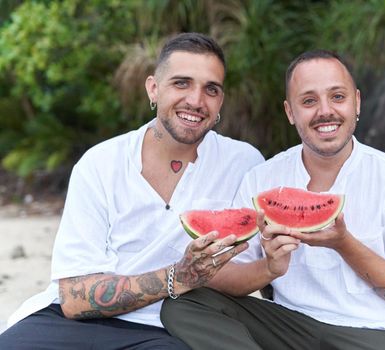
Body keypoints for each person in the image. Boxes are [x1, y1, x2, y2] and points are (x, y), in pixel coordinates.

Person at [161, 50, 385, 350]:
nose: (325, 111)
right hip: (293, 328)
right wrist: (270, 268)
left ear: (357, 103)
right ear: (290, 112)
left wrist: (344, 243)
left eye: (338, 97)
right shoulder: (263, 179)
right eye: (309, 101)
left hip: (379, 335)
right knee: (185, 305)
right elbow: (229, 275)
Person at [0, 32, 263, 349]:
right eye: (181, 83)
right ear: (153, 88)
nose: (196, 100)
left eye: (211, 89)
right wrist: (177, 277)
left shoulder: (245, 163)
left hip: (172, 327)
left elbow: (248, 268)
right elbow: (73, 298)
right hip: (74, 321)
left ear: (220, 101)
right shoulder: (100, 163)